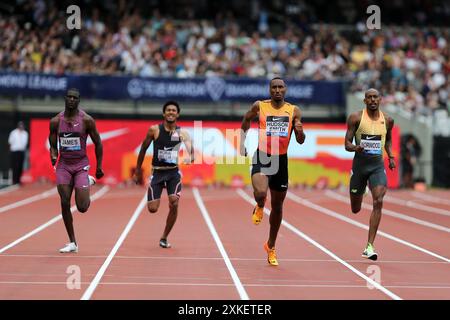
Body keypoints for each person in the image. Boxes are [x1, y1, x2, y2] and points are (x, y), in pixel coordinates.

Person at [240, 77, 305, 266]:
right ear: (269, 90)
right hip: (262, 155)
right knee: (260, 193)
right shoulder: (259, 106)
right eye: (274, 87)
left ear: (285, 90)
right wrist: (242, 141)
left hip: (281, 160)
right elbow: (246, 119)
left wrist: (300, 131)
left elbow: (300, 140)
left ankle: (271, 245)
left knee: (277, 207)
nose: (277, 90)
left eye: (280, 87)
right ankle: (260, 205)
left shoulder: (294, 110)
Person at [49, 88, 104, 253]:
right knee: (64, 201)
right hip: (64, 165)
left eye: (75, 98)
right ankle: (72, 242)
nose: (72, 100)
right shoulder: (55, 121)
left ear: (78, 101)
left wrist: (99, 166)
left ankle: (88, 180)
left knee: (82, 207)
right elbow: (52, 143)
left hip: (81, 165)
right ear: (65, 99)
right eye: (69, 97)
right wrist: (53, 155)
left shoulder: (87, 120)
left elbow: (98, 143)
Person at [133, 101, 194, 249]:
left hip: (173, 173)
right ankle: (164, 203)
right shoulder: (154, 130)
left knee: (174, 202)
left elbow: (191, 151)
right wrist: (137, 171)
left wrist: (190, 157)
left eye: (174, 110)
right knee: (152, 209)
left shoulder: (182, 133)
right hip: (158, 172)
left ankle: (164, 237)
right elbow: (142, 150)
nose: (171, 112)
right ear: (164, 113)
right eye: (168, 110)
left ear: (178, 114)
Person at [345, 88, 396, 261]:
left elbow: (388, 140)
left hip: (376, 166)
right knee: (355, 209)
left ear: (380, 99)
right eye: (369, 97)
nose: (373, 100)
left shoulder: (388, 120)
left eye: (375, 97)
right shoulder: (356, 118)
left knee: (379, 200)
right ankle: (361, 190)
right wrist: (355, 147)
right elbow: (346, 143)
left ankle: (369, 246)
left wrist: (390, 156)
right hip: (359, 167)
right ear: (365, 100)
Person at [8, 121, 29, 185]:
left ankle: (18, 180)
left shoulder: (25, 133)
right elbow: (10, 142)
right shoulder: (13, 133)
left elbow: (25, 142)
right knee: (15, 165)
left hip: (21, 151)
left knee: (20, 165)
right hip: (15, 151)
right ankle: (14, 180)